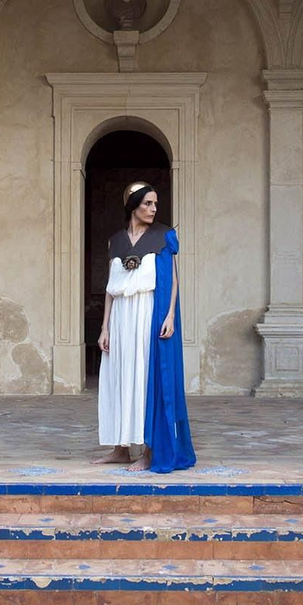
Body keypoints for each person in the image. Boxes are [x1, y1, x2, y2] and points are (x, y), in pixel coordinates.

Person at [94, 181, 195, 473]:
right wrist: (104, 327)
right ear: (133, 206)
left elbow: (172, 280)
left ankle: (149, 450)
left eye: (155, 204)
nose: (153, 209)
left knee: (144, 378)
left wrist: (170, 316)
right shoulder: (116, 241)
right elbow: (111, 288)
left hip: (149, 313)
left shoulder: (164, 236)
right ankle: (120, 448)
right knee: (119, 377)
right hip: (121, 317)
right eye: (147, 204)